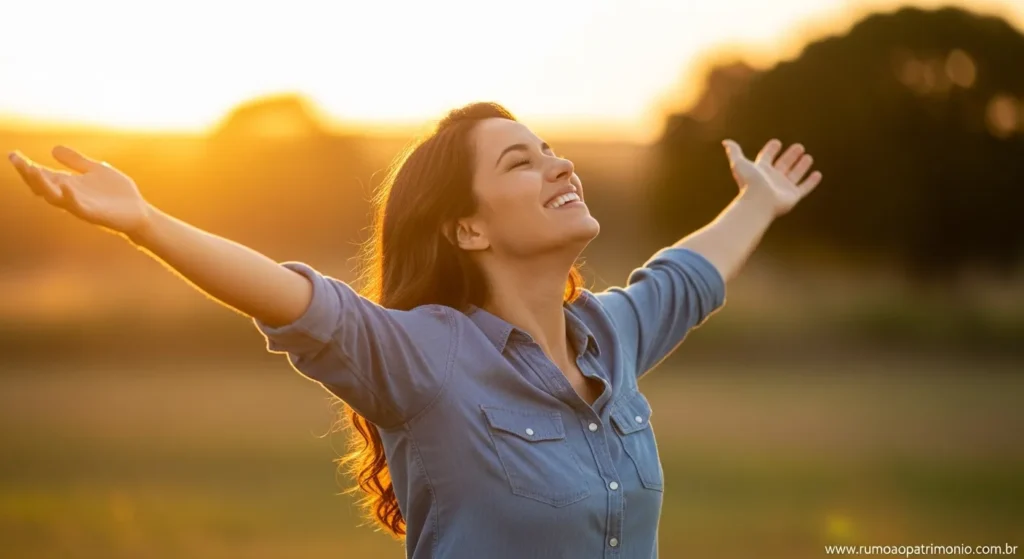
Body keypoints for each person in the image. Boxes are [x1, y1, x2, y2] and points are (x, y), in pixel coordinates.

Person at [6, 101, 821, 558]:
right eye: (520, 163)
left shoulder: (612, 334)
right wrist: (145, 221)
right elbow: (294, 297)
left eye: (549, 150)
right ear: (468, 230)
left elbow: (687, 275)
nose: (559, 166)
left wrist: (757, 201)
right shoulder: (425, 356)